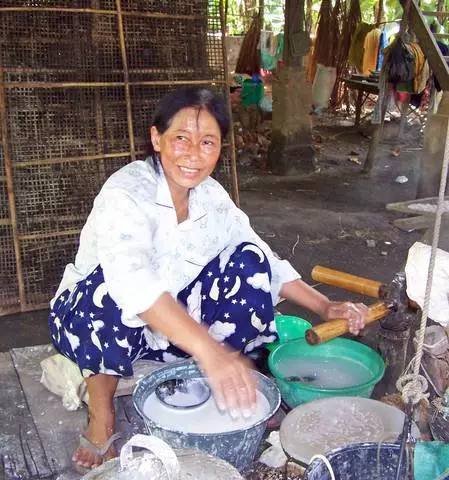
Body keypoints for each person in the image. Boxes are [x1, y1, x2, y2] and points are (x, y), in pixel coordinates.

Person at [49, 87, 368, 472]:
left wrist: (324, 305)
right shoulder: (127, 191)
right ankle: (102, 419)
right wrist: (210, 350)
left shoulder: (211, 196)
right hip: (94, 325)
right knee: (110, 294)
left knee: (248, 262)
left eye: (207, 142)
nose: (193, 154)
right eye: (181, 138)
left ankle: (224, 385)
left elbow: (262, 255)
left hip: (171, 331)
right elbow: (134, 285)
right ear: (156, 138)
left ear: (220, 148)